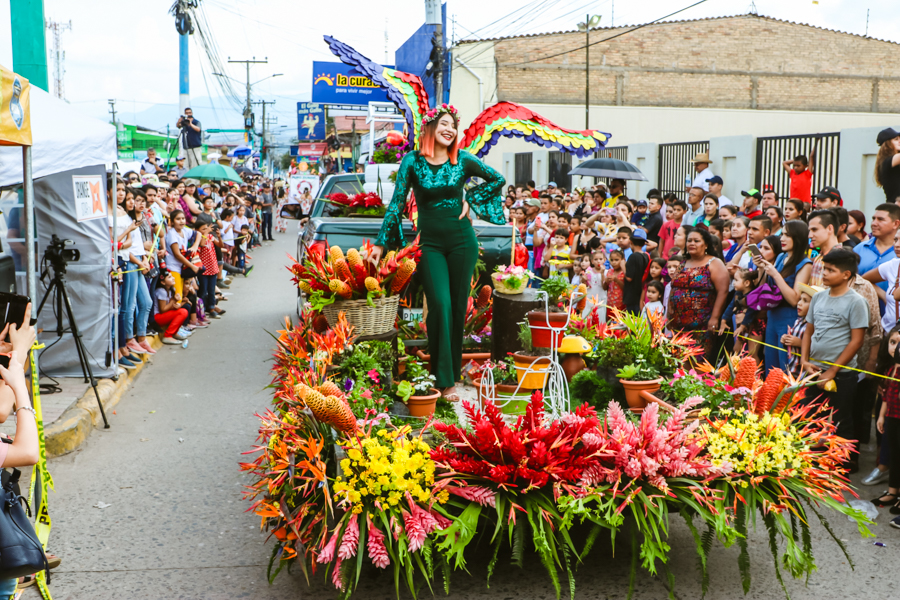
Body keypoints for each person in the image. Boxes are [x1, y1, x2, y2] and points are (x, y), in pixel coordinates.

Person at [368, 105, 504, 403]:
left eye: (454, 125)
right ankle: (441, 376)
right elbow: (396, 203)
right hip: (429, 243)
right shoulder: (413, 162)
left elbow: (497, 179)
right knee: (440, 305)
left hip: (461, 242)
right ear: (430, 127)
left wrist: (472, 200)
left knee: (457, 309)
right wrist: (381, 243)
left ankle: (450, 380)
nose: (450, 130)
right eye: (444, 124)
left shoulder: (463, 160)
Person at [802, 249, 869, 472]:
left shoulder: (856, 302)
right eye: (824, 269)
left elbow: (856, 341)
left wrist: (832, 371)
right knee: (810, 416)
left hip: (843, 373)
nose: (824, 274)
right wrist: (804, 360)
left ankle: (843, 465)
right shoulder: (818, 297)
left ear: (845, 274)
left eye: (831, 270)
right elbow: (808, 332)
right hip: (813, 368)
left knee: (842, 420)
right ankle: (814, 462)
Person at [753, 221, 812, 373]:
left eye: (787, 235)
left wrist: (775, 274)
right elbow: (766, 288)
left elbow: (794, 299)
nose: (782, 239)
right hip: (772, 316)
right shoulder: (780, 257)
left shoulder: (805, 264)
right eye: (782, 234)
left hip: (789, 318)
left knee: (785, 366)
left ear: (798, 238)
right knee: (771, 367)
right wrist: (761, 269)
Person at [668, 228, 730, 361]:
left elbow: (723, 292)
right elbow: (673, 288)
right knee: (678, 359)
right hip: (679, 324)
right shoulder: (683, 262)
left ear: (706, 244)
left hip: (702, 324)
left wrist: (715, 317)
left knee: (698, 361)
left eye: (696, 241)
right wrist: (669, 314)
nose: (692, 243)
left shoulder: (714, 263)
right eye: (689, 240)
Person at [873, 326, 900, 525]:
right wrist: (881, 417)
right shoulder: (891, 368)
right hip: (891, 417)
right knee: (894, 454)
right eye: (893, 342)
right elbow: (885, 397)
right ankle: (893, 491)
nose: (896, 348)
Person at [855, 203, 900, 300]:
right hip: (861, 311)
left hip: (892, 313)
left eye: (880, 219)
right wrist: (882, 294)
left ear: (896, 224)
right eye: (873, 218)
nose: (874, 223)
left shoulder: (898, 252)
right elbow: (851, 280)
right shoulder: (859, 248)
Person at [781, 288, 812, 377]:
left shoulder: (815, 326)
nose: (799, 303)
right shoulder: (797, 322)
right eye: (800, 299)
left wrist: (800, 343)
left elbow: (817, 350)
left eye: (805, 301)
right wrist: (786, 340)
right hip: (793, 369)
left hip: (804, 374)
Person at [808, 209, 842, 287]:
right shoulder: (818, 257)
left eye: (814, 229)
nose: (810, 235)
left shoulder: (841, 259)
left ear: (830, 228)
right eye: (809, 231)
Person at [155, 271, 190, 345]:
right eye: (169, 277)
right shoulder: (161, 291)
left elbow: (170, 306)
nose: (173, 278)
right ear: (163, 282)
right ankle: (167, 335)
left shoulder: (170, 290)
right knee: (183, 312)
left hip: (162, 315)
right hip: (157, 317)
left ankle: (174, 332)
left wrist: (177, 304)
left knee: (183, 311)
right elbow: (162, 310)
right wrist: (173, 301)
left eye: (172, 276)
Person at [623, 230, 649, 314]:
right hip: (641, 294)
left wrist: (623, 265)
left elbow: (629, 278)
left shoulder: (633, 256)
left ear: (630, 241)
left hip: (632, 296)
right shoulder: (645, 255)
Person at [875, 127, 900, 204]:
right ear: (887, 144)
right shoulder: (887, 162)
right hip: (894, 209)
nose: (899, 141)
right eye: (896, 139)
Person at [604, 249, 626, 317]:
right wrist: (606, 281)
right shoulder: (610, 271)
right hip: (610, 304)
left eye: (616, 260)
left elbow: (625, 288)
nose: (613, 262)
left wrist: (616, 280)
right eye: (612, 260)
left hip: (621, 304)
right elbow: (604, 288)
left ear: (623, 260)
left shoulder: (624, 272)